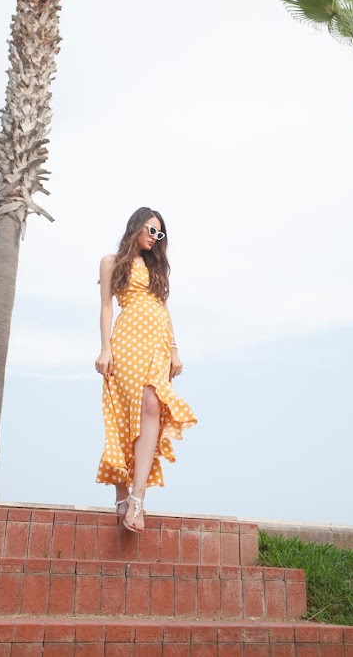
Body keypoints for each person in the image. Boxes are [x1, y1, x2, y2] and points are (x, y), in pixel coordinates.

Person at [95, 207, 197, 533]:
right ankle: (121, 493)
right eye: (151, 230)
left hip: (157, 345)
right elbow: (106, 307)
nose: (155, 237)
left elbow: (164, 310)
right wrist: (105, 349)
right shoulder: (111, 262)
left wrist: (174, 351)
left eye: (159, 233)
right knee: (125, 414)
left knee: (152, 404)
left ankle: (137, 499)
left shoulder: (156, 268)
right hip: (127, 343)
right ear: (137, 226)